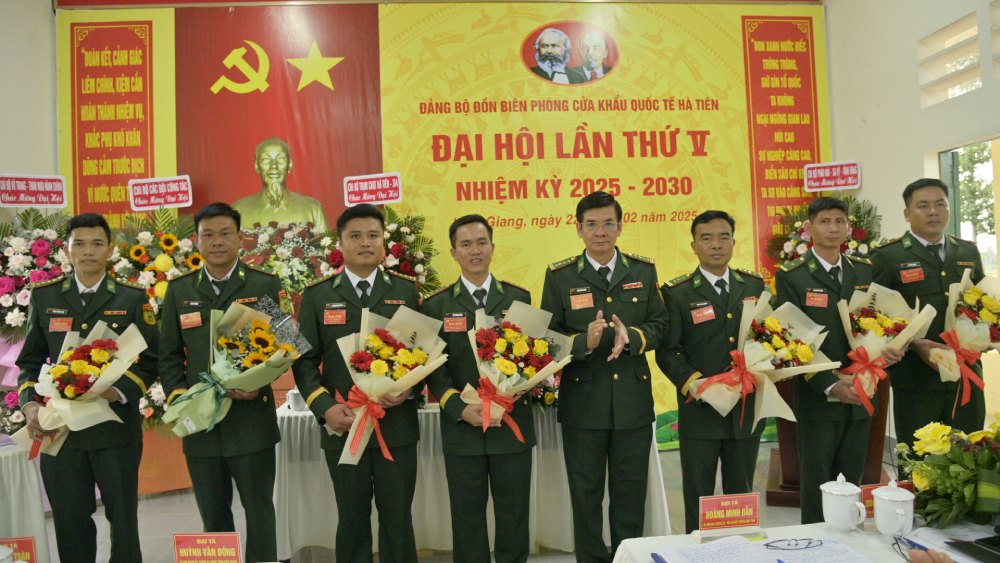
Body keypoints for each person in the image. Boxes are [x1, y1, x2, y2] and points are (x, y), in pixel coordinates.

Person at [17, 212, 158, 563]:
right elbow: (29, 364)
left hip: (115, 428)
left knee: (123, 520)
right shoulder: (45, 296)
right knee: (69, 521)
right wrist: (29, 406)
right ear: (66, 251)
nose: (87, 251)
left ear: (110, 250)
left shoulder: (131, 298)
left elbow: (151, 360)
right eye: (78, 244)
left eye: (97, 243)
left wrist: (115, 391)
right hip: (62, 432)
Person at [540, 191, 668, 561]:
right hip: (583, 403)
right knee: (586, 494)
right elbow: (546, 338)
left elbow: (661, 324)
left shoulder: (642, 271)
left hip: (632, 402)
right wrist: (583, 340)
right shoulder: (560, 276)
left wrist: (635, 337)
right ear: (578, 228)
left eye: (608, 223)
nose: (600, 232)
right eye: (592, 225)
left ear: (620, 226)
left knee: (630, 494)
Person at [292, 203, 422, 563]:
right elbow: (302, 360)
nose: (365, 242)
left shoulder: (406, 291)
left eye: (373, 235)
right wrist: (324, 408)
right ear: (341, 243)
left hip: (396, 425)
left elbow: (422, 353)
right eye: (356, 236)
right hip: (343, 423)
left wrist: (410, 388)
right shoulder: (317, 296)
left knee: (398, 518)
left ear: (384, 242)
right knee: (351, 518)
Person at [159, 202, 283, 563]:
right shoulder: (179, 291)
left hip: (251, 422)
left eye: (225, 233)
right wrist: (182, 398)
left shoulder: (264, 284)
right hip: (201, 424)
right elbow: (168, 357)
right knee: (213, 517)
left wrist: (260, 385)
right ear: (196, 242)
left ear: (240, 239)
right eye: (207, 235)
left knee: (260, 511)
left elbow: (287, 344)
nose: (217, 242)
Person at [775, 197, 902, 524]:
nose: (832, 229)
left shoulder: (865, 270)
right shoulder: (793, 275)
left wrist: (887, 351)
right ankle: (816, 544)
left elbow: (880, 323)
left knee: (852, 476)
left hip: (862, 389)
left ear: (848, 227)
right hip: (818, 394)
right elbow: (790, 339)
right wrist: (830, 384)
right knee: (818, 479)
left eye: (839, 222)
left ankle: (848, 536)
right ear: (810, 228)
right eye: (824, 222)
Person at [423, 215, 533, 563]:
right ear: (454, 252)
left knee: (514, 513)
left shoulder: (519, 298)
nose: (475, 250)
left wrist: (518, 389)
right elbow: (433, 370)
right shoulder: (436, 305)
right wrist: (457, 407)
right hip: (463, 428)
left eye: (481, 242)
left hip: (511, 424)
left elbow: (533, 356)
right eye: (466, 244)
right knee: (467, 517)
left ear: (493, 247)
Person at [655, 210, 765, 533]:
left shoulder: (754, 285)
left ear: (733, 242)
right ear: (694, 246)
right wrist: (694, 383)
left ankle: (741, 549)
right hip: (700, 411)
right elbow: (668, 350)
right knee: (699, 494)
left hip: (745, 410)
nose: (716, 245)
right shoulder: (678, 293)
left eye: (723, 237)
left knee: (741, 491)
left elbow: (769, 337)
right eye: (707, 238)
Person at [871, 178, 985, 449]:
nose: (933, 211)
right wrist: (914, 343)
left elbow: (983, 304)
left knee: (968, 456)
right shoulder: (888, 256)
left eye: (940, 204)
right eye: (923, 205)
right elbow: (875, 317)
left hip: (965, 374)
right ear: (907, 213)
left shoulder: (967, 250)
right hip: (916, 379)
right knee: (918, 461)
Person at [232, 137, 330, 231]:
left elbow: (330, 245)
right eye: (266, 159)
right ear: (257, 166)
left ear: (290, 165)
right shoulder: (239, 210)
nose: (274, 166)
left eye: (281, 159)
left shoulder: (313, 209)